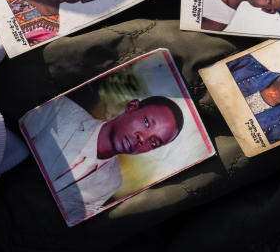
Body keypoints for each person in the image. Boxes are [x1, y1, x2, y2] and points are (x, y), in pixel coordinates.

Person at [22, 94, 184, 224]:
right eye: (147, 123)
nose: (142, 139)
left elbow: (66, 221)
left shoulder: (112, 183)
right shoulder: (60, 109)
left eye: (154, 142)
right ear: (131, 106)